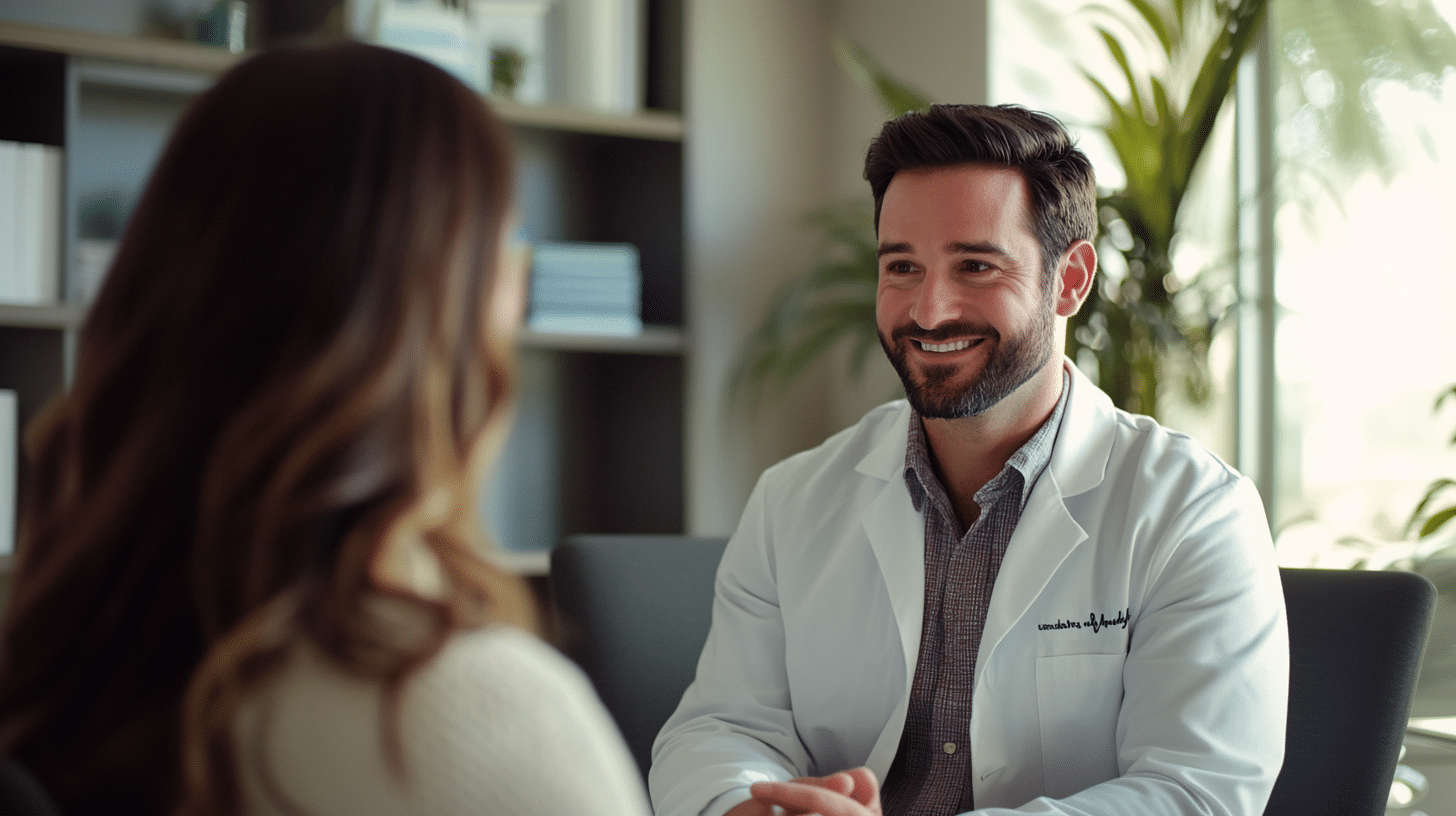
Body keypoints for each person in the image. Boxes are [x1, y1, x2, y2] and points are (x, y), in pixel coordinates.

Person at [0, 42, 650, 816]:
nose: (516, 287)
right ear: (442, 324)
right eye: (506, 251)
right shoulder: (476, 715)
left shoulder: (57, 672)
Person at [650, 104, 1288, 816]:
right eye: (902, 267)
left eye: (975, 265)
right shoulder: (792, 498)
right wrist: (748, 805)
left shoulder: (1196, 512)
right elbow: (721, 728)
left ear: (1070, 279)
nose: (928, 310)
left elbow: (1197, 793)